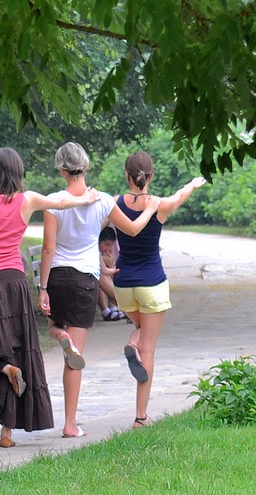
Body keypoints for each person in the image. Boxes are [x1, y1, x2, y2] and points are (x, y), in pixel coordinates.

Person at [0, 146, 98, 448]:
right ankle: (6, 432)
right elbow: (60, 201)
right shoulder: (28, 199)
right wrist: (86, 198)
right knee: (16, 348)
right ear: (19, 173)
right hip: (15, 283)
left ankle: (4, 370)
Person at [38, 141, 159, 438]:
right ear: (86, 166)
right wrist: (150, 209)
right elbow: (131, 229)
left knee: (54, 326)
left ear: (62, 170)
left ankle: (59, 334)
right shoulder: (103, 200)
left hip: (58, 277)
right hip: (85, 281)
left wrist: (42, 287)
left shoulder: (54, 201)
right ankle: (70, 423)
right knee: (75, 358)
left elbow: (49, 247)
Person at [112, 151, 205, 428]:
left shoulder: (115, 204)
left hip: (123, 285)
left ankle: (132, 343)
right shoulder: (159, 205)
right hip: (152, 283)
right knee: (149, 350)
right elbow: (179, 197)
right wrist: (191, 185)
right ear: (150, 176)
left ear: (127, 175)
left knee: (140, 331)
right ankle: (141, 417)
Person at [97, 227, 127, 322]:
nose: (109, 249)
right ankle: (125, 307)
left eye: (111, 246)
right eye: (106, 244)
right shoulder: (94, 251)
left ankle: (115, 307)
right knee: (100, 277)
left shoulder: (104, 254)